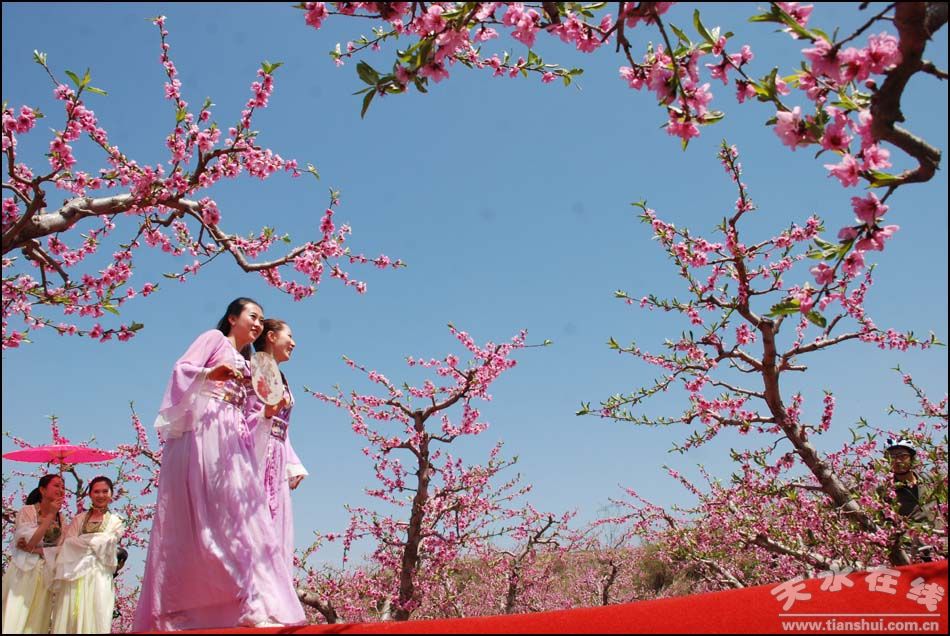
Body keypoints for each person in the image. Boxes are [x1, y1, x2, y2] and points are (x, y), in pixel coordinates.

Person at [132, 298, 305, 631]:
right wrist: (209, 373)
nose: (258, 324)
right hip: (208, 429)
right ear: (232, 318)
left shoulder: (249, 362)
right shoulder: (213, 340)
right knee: (218, 516)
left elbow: (255, 412)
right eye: (252, 316)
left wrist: (269, 412)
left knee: (246, 515)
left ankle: (252, 603)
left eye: (261, 319)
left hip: (235, 433)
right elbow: (181, 370)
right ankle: (224, 605)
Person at [252, 319, 309, 574]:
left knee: (276, 523)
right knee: (259, 517)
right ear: (272, 337)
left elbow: (283, 428)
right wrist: (268, 411)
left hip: (276, 453)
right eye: (290, 336)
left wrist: (291, 463)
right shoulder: (257, 367)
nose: (294, 343)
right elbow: (251, 414)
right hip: (260, 452)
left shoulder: (280, 375)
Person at [50, 476, 125, 634]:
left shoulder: (116, 521)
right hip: (74, 574)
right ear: (90, 494)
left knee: (97, 615)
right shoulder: (79, 519)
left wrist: (82, 541)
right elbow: (69, 543)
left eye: (105, 491)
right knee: (71, 617)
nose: (100, 495)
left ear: (111, 494)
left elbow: (108, 543)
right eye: (96, 491)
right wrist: (94, 543)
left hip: (99, 575)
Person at [1, 473, 65, 634]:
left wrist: (37, 550)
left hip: (45, 572)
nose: (61, 490)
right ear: (42, 490)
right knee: (16, 614)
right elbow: (29, 541)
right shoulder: (27, 511)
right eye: (56, 485)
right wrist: (50, 515)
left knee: (37, 619)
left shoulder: (61, 518)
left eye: (63, 487)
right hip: (24, 570)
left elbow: (62, 549)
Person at [882, 437, 945, 562]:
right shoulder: (885, 491)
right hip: (913, 553)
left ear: (912, 458)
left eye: (902, 456)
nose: (897, 460)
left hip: (941, 546)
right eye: (892, 457)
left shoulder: (931, 480)